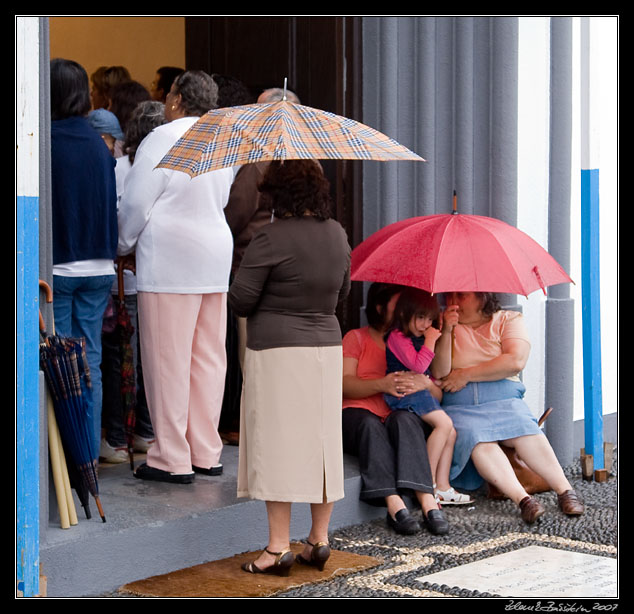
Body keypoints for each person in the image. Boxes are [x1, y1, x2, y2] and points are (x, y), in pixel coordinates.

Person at [229, 159, 350, 576]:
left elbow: (241, 301)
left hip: (278, 349)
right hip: (326, 349)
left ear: (278, 196)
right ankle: (319, 538)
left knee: (276, 444)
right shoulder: (337, 234)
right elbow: (344, 291)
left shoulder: (269, 238)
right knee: (322, 444)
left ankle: (278, 547)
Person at [118, 71, 234, 484]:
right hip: (215, 253)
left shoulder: (162, 138)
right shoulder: (223, 140)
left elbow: (135, 203)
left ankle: (171, 455)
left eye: (168, 94)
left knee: (168, 360)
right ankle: (205, 449)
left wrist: (123, 243)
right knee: (207, 358)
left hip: (171, 258)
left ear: (178, 100)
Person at [436, 291, 585, 523]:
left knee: (526, 430)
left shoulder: (508, 319)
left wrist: (465, 374)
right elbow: (439, 372)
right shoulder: (443, 323)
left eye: (462, 295)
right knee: (478, 439)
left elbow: (515, 360)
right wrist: (446, 330)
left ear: (482, 297)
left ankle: (566, 491)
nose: (452, 301)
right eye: (450, 295)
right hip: (462, 406)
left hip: (505, 399)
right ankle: (524, 500)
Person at [219, 86, 302, 445]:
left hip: (253, 262)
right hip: (294, 264)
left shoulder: (257, 162)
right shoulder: (305, 161)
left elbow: (235, 215)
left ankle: (249, 423)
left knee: (248, 349)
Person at [49, 58, 118, 458]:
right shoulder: (98, 143)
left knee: (57, 369)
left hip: (59, 266)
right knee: (88, 361)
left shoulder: (45, 142)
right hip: (99, 267)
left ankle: (61, 459)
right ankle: (87, 457)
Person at [341, 283, 450, 535]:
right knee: (370, 425)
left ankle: (426, 499)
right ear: (380, 308)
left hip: (394, 414)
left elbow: (436, 393)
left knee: (405, 420)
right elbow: (343, 384)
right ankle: (394, 503)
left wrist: (426, 383)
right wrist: (382, 384)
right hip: (357, 412)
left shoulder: (414, 344)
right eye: (398, 305)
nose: (405, 310)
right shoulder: (356, 338)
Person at [100, 100, 167, 463]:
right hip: (158, 276)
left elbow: (121, 224)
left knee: (117, 357)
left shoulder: (122, 167)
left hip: (123, 278)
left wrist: (122, 246)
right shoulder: (177, 165)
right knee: (152, 358)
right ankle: (146, 431)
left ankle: (116, 434)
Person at [383, 288, 472, 506]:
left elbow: (426, 373)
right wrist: (431, 339)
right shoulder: (397, 337)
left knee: (450, 432)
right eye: (420, 318)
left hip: (420, 392)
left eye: (429, 319)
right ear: (404, 314)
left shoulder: (417, 337)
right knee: (443, 424)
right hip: (405, 394)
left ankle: (442, 487)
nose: (424, 325)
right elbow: (419, 365)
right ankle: (427, 483)